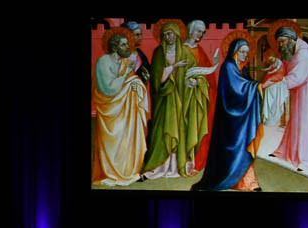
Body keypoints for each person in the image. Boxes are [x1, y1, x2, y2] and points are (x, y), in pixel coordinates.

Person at [191, 37, 263, 191]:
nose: (245, 55)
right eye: (242, 52)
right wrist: (256, 87)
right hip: (229, 119)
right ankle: (239, 181)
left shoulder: (242, 69)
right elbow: (237, 89)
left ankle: (249, 183)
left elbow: (247, 86)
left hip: (241, 119)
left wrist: (255, 87)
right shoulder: (228, 67)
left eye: (246, 53)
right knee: (234, 151)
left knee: (243, 149)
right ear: (235, 52)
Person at [265, 27, 308, 171]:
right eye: (279, 42)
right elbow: (285, 69)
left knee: (306, 123)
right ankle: (286, 151)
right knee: (296, 120)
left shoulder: (303, 53)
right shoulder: (291, 50)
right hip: (300, 90)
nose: (281, 45)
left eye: (282, 41)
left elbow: (296, 76)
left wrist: (278, 84)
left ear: (291, 39)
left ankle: (306, 159)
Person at [91, 29, 150, 186]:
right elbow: (108, 90)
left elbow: (133, 82)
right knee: (112, 144)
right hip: (109, 111)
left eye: (127, 44)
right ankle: (111, 174)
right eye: (123, 45)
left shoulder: (125, 63)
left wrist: (137, 87)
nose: (128, 47)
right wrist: (126, 77)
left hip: (126, 111)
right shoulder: (103, 62)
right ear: (114, 47)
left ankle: (129, 171)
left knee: (128, 140)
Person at [142, 21, 195, 179]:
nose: (168, 37)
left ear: (177, 34)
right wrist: (173, 67)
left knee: (179, 129)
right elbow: (156, 78)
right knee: (162, 131)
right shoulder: (159, 52)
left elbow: (194, 73)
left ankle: (176, 166)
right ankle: (160, 166)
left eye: (170, 33)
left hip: (181, 99)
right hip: (164, 100)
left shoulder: (185, 52)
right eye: (165, 34)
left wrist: (193, 82)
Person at [183, 20, 220, 174]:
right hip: (183, 98)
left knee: (197, 128)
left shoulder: (200, 50)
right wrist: (186, 82)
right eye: (199, 31)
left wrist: (199, 81)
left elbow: (209, 77)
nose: (201, 34)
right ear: (190, 30)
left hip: (198, 98)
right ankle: (183, 162)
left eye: (203, 32)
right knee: (185, 128)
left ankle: (195, 161)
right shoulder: (181, 49)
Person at [261, 55, 288, 126]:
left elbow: (277, 69)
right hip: (274, 76)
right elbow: (270, 68)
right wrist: (265, 70)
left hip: (279, 75)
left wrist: (270, 72)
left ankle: (276, 121)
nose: (271, 60)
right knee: (268, 79)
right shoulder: (273, 63)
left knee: (269, 79)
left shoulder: (279, 62)